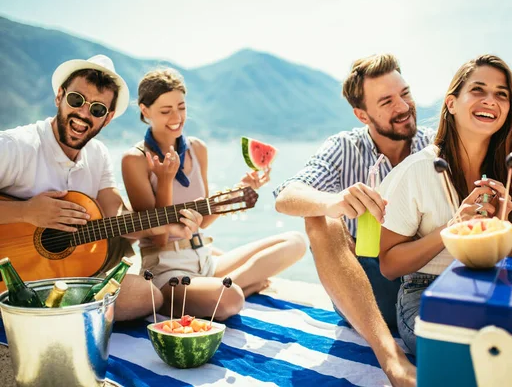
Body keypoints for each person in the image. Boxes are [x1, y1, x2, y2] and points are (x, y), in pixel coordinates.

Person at [0, 55, 202, 321]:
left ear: (106, 119)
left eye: (96, 109)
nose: (84, 113)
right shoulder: (15, 146)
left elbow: (116, 216)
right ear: (59, 97)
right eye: (76, 100)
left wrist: (166, 226)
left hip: (59, 279)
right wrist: (27, 212)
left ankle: (50, 314)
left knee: (146, 296)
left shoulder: (98, 155)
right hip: (12, 279)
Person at [274, 53, 435, 386]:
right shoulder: (345, 148)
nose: (403, 106)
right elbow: (286, 196)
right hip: (367, 285)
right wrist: (335, 201)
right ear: (362, 114)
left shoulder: (435, 143)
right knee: (320, 220)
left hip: (427, 276)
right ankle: (392, 359)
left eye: (405, 93)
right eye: (387, 101)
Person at [379, 54, 512, 354]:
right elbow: (389, 265)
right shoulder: (417, 170)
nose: (490, 100)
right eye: (478, 90)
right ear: (451, 103)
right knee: (476, 345)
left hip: (495, 285)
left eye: (501, 94)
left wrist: (500, 227)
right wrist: (453, 228)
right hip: (426, 291)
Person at [121, 68, 306, 321]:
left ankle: (214, 289)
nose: (177, 117)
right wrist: (164, 180)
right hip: (166, 270)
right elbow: (159, 237)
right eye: (166, 111)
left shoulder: (198, 149)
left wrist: (237, 193)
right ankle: (228, 289)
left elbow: (203, 221)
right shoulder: (135, 159)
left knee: (296, 242)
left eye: (182, 107)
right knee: (232, 299)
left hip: (206, 261)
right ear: (145, 110)